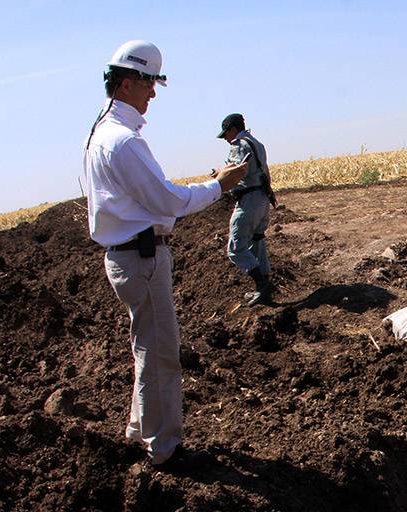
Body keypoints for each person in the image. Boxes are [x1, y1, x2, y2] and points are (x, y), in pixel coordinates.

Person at [84, 40, 248, 468]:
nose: (152, 93)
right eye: (147, 83)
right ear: (125, 84)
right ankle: (165, 451)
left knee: (147, 347)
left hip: (127, 257)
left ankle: (141, 430)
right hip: (140, 259)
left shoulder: (103, 134)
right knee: (160, 354)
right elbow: (167, 201)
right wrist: (219, 186)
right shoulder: (123, 143)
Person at [217, 113, 275, 305]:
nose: (225, 139)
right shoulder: (257, 143)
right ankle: (264, 284)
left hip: (248, 200)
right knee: (257, 240)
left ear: (232, 130)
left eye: (225, 134)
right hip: (263, 198)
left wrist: (218, 178)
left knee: (235, 248)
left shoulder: (239, 145)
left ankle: (261, 284)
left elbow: (236, 172)